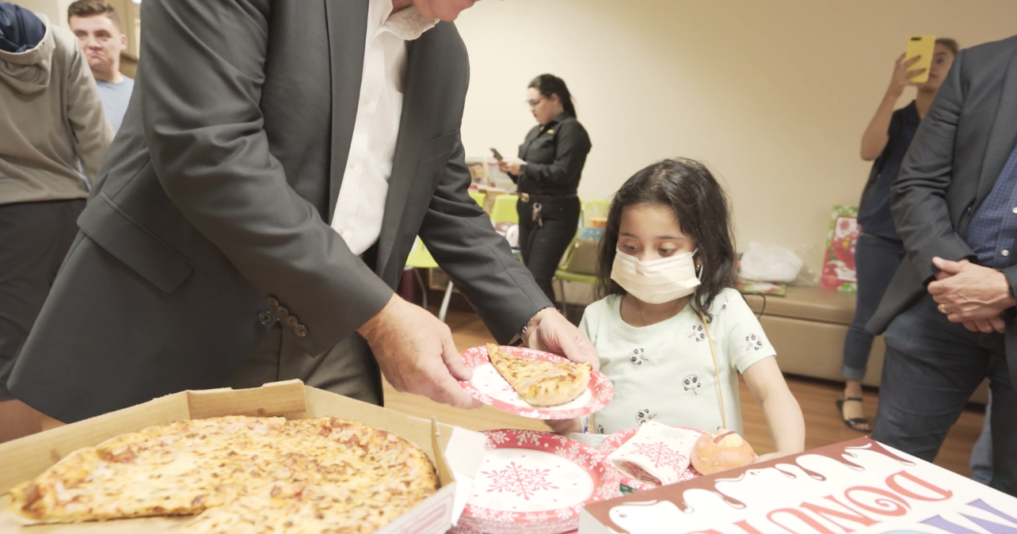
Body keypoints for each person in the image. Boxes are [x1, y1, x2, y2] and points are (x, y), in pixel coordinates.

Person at [8, 0, 597, 425]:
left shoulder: (446, 54)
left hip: (337, 336)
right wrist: (380, 312)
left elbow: (443, 196)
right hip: (176, 308)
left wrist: (532, 313)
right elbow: (210, 151)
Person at [551, 159, 805, 462]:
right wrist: (567, 421)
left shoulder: (723, 308)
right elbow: (581, 410)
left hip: (702, 481)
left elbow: (771, 392)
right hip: (617, 476)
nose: (645, 262)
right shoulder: (597, 317)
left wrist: (789, 454)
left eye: (665, 250)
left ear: (702, 251)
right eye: (631, 247)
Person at [867, 32, 1017, 500]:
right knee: (886, 479)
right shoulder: (981, 65)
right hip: (938, 309)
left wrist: (1009, 287)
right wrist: (960, 280)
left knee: (1014, 494)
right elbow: (914, 184)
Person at [0, 2, 112, 441]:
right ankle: (78, 457)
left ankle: (17, 483)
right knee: (69, 344)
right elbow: (98, 142)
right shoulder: (63, 42)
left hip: (9, 215)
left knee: (9, 358)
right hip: (71, 212)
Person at [838, 38, 959, 432]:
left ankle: (896, 398)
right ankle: (852, 390)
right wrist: (892, 90)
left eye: (943, 59)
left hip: (929, 241)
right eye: (928, 58)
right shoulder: (901, 116)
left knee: (913, 327)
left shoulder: (959, 123)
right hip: (880, 232)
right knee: (867, 316)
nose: (933, 66)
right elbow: (867, 150)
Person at [499, 74, 591, 303]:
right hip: (528, 209)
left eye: (535, 102)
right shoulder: (535, 132)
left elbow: (563, 173)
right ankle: (535, 334)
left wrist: (525, 167)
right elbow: (531, 176)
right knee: (529, 278)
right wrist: (515, 172)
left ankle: (552, 335)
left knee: (538, 279)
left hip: (555, 213)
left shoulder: (571, 130)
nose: (531, 109)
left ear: (554, 98)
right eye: (528, 103)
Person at [67, 0, 133, 134]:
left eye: (102, 35)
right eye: (81, 35)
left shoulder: (140, 91)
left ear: (122, 42)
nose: (92, 44)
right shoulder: (65, 93)